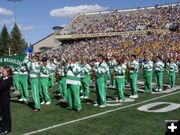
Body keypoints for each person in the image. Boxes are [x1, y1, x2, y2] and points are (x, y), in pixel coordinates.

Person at [0, 67, 13, 134]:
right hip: (1, 98)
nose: (2, 72)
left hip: (5, 99)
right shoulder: (2, 78)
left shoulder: (9, 79)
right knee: (2, 113)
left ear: (8, 73)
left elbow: (2, 87)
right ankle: (3, 126)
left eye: (4, 71)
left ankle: (8, 128)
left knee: (6, 114)